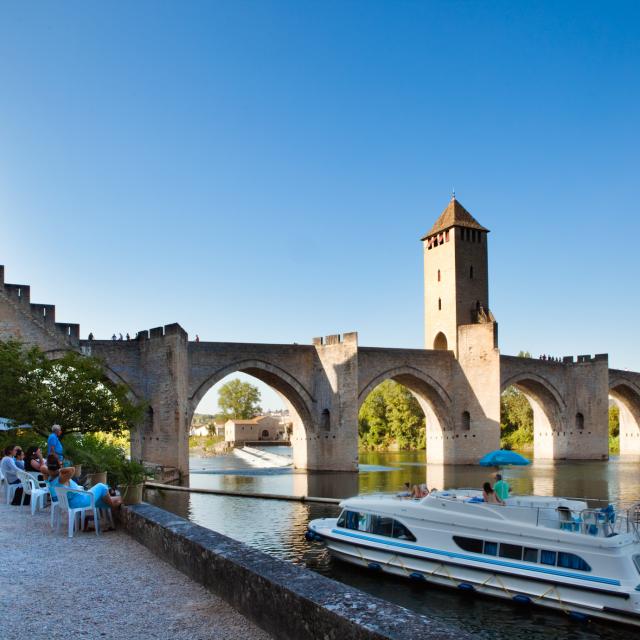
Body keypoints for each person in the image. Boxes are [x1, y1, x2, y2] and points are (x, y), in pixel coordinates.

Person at [43, 455, 122, 516]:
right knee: (101, 486)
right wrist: (59, 469)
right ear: (57, 465)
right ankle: (113, 504)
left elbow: (42, 467)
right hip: (80, 501)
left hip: (74, 501)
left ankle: (121, 500)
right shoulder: (61, 478)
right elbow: (72, 469)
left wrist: (53, 469)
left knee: (109, 501)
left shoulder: (49, 477)